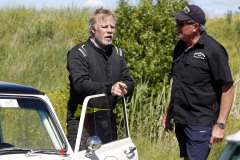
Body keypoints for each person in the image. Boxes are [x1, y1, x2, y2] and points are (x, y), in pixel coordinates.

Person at [162, 5, 235, 160]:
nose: (176, 26)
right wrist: (169, 111)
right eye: (177, 22)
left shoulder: (213, 50)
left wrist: (220, 125)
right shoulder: (180, 47)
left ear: (195, 26)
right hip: (181, 120)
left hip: (201, 123)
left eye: (180, 24)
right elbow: (178, 84)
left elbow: (228, 89)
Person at [66, 8, 134, 150]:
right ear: (93, 29)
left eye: (112, 27)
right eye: (104, 27)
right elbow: (80, 85)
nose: (110, 31)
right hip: (82, 120)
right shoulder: (79, 52)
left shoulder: (117, 53)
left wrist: (124, 87)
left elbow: (130, 82)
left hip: (107, 119)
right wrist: (110, 88)